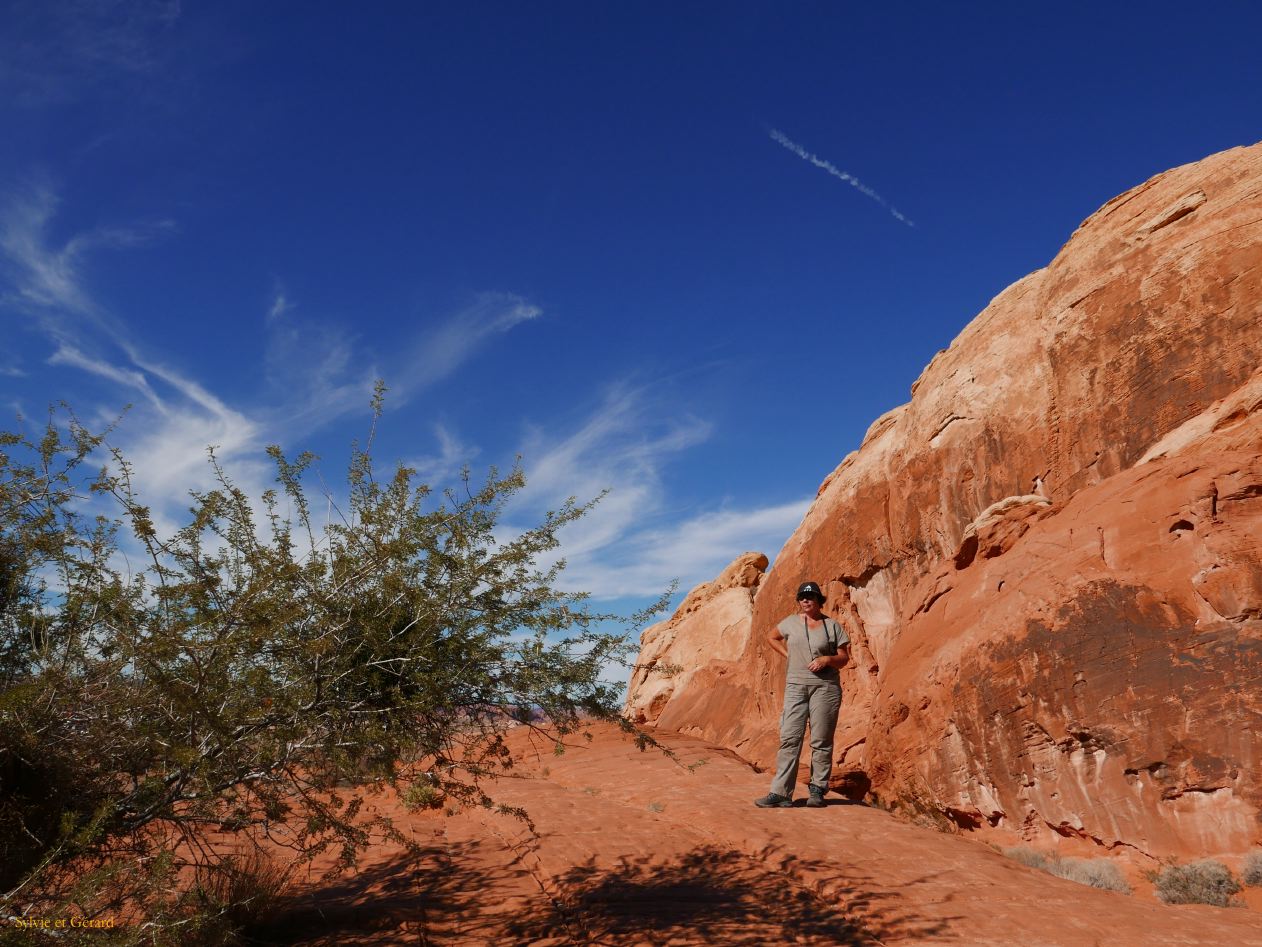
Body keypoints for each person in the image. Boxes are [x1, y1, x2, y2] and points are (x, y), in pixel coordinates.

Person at [754, 580, 850, 809]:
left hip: (825, 687)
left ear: (819, 600)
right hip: (796, 686)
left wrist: (827, 659)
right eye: (802, 597)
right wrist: (788, 655)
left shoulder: (832, 626)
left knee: (821, 740)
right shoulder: (790, 622)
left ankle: (817, 791)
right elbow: (771, 637)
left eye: (810, 596)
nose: (806, 600)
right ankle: (781, 793)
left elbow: (844, 658)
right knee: (790, 737)